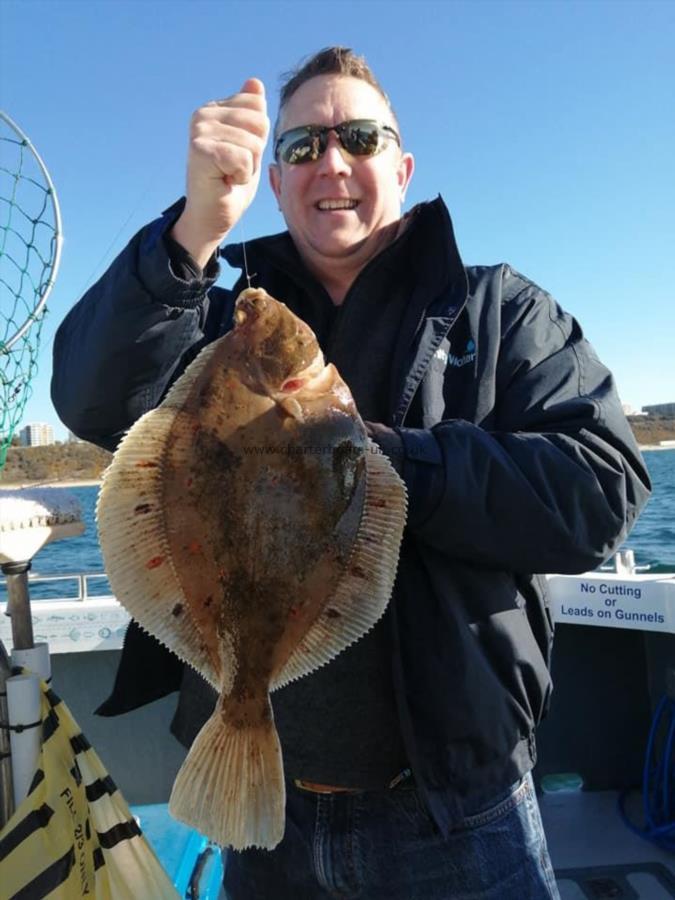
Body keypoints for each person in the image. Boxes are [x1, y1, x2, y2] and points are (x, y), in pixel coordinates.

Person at [52, 47, 650, 899]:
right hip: (272, 827)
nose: (331, 162)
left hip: (455, 811)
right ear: (274, 181)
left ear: (400, 167)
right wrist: (190, 233)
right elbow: (90, 399)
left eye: (358, 138)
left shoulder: (501, 312)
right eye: (300, 148)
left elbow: (601, 488)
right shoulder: (212, 324)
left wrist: (389, 465)